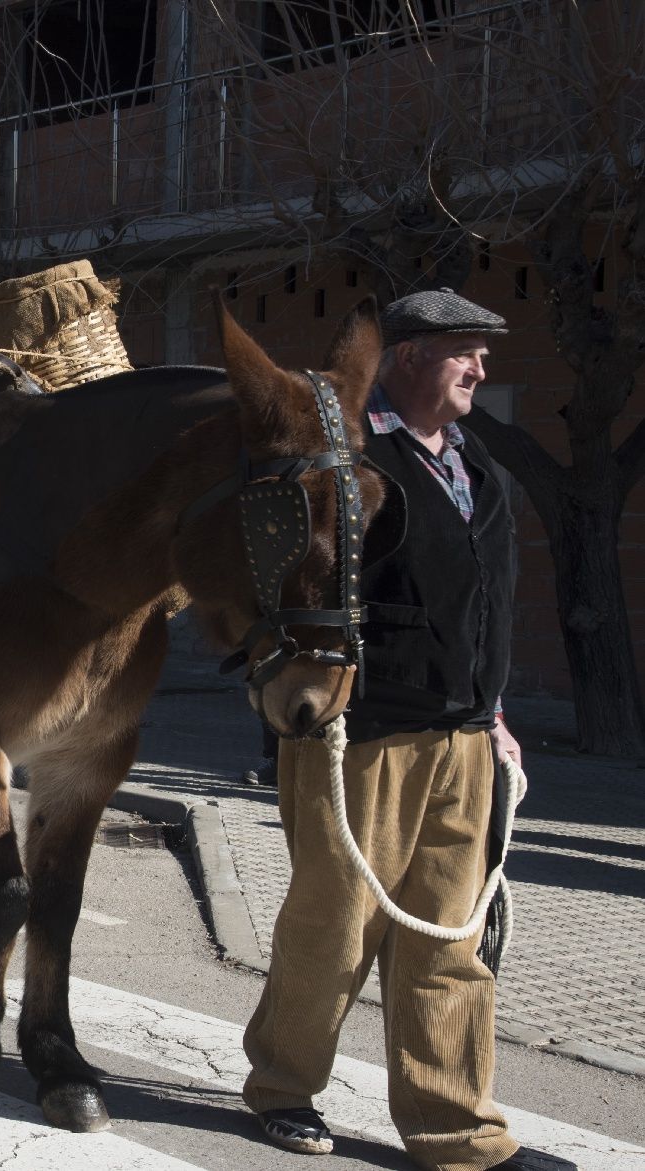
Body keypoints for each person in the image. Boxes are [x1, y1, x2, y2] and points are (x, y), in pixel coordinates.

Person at [242, 289, 568, 1171]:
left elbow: (486, 604)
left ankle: (454, 1127)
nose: (482, 367)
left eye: (485, 353)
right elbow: (293, 586)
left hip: (465, 736)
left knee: (451, 939)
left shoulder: (478, 462)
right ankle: (281, 1084)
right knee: (335, 925)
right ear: (412, 355)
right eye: (465, 349)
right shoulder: (348, 457)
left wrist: (497, 716)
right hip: (366, 732)